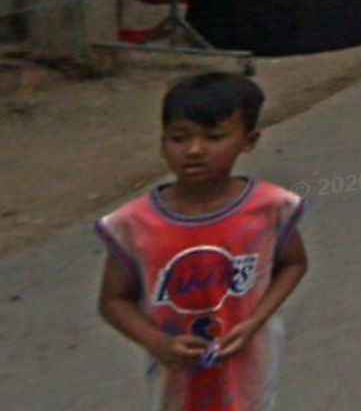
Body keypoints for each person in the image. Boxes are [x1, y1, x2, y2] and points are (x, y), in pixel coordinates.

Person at [95, 72, 308, 411]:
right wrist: (158, 342)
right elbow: (114, 300)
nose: (194, 150)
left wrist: (255, 322)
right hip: (177, 377)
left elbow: (294, 264)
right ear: (162, 141)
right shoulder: (135, 224)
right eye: (179, 138)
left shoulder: (268, 208)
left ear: (248, 140)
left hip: (250, 362)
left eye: (214, 137)